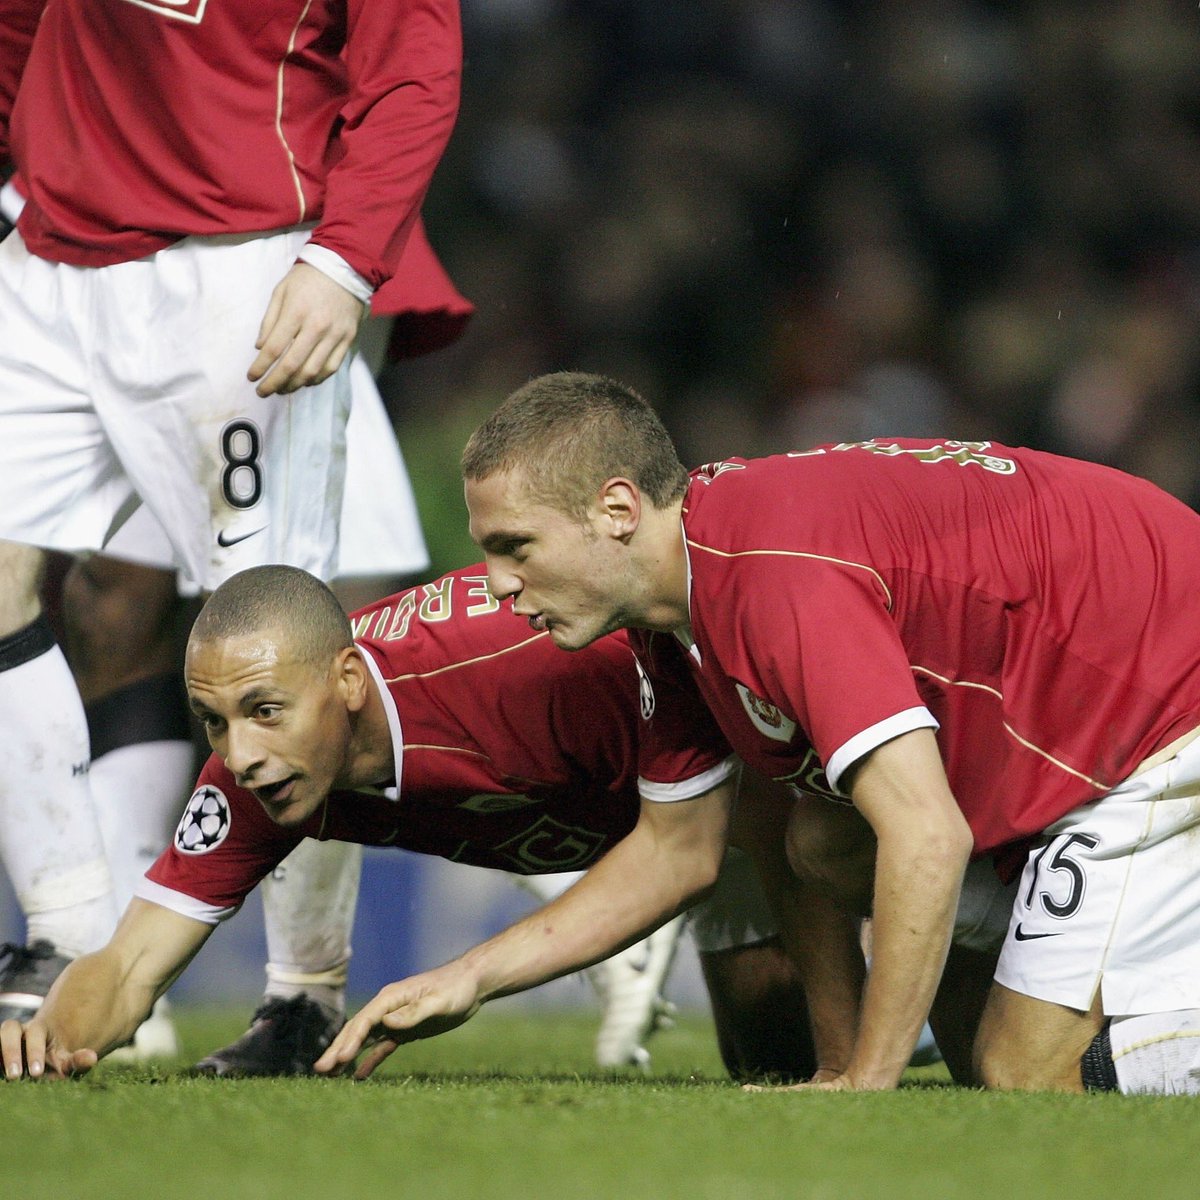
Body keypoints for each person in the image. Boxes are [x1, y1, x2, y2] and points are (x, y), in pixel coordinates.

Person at [302, 370, 1200, 1096]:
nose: (496, 583)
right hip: (1101, 692)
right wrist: (470, 979)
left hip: (1162, 700)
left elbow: (929, 835)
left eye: (516, 547)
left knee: (1024, 1074)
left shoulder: (774, 581)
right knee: (828, 846)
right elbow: (680, 850)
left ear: (617, 511)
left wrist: (867, 1083)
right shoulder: (672, 601)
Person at [0, 0, 461, 1025]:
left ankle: (300, 993)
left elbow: (413, 61)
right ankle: (67, 937)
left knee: (277, 634)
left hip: (237, 264)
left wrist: (344, 259)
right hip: (44, 246)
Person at [0, 564, 819, 1082]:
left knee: (871, 1038)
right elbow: (131, 964)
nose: (241, 753)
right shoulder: (255, 778)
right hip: (661, 835)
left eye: (264, 711)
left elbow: (721, 677)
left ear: (349, 679)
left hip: (773, 781)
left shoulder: (521, 667)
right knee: (773, 1065)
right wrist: (47, 1038)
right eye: (213, 721)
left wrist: (467, 975)